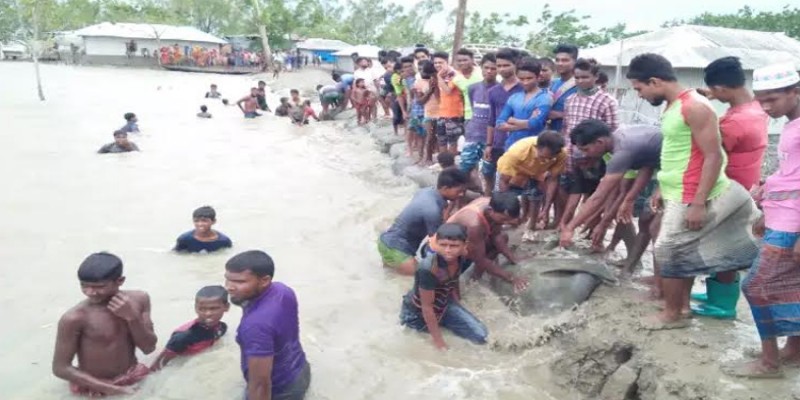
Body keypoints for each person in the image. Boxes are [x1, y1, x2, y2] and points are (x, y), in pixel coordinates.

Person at [626, 53, 758, 330]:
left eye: (639, 88)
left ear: (654, 81)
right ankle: (682, 307)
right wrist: (662, 186)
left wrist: (698, 203)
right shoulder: (673, 105)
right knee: (681, 252)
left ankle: (672, 315)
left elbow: (713, 156)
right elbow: (677, 151)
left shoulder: (695, 107)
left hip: (691, 194)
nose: (638, 95)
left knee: (669, 252)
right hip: (676, 191)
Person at [722, 63, 800, 379]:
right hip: (781, 214)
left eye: (772, 99)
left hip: (792, 224)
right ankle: (794, 350)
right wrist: (768, 190)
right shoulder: (791, 124)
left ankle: (769, 364)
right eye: (761, 100)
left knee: (756, 285)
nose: (765, 107)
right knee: (792, 285)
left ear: (794, 92)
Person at [691, 56, 769, 319]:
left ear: (722, 89)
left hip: (728, 189)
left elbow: (711, 160)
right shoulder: (756, 109)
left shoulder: (733, 123)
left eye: (715, 91)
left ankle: (722, 305)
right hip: (746, 185)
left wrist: (697, 198)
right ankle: (717, 294)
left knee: (722, 247)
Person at [558, 120, 662, 271]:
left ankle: (661, 282)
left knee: (657, 228)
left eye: (586, 149)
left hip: (682, 169)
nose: (585, 154)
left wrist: (570, 228)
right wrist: (629, 199)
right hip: (663, 167)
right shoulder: (619, 139)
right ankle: (631, 268)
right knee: (646, 220)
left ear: (599, 142)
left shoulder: (622, 151)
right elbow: (648, 164)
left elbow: (599, 196)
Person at [52, 252, 157, 397]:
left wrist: (132, 317)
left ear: (120, 281)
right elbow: (60, 368)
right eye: (84, 286)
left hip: (132, 375)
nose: (90, 292)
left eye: (98, 287)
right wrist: (111, 389)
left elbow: (149, 348)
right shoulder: (75, 318)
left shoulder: (140, 299)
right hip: (94, 385)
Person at [225, 250, 311, 400]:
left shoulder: (255, 326)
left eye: (240, 282)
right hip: (300, 369)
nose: (229, 287)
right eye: (228, 280)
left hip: (280, 390)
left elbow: (260, 385)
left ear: (264, 280)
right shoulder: (282, 290)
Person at [399, 223, 487, 349]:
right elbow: (427, 308)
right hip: (418, 314)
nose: (448, 251)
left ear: (464, 245)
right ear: (437, 244)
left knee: (481, 337)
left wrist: (458, 302)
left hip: (444, 305)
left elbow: (454, 280)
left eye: (454, 246)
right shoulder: (429, 268)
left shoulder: (462, 255)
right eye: (443, 245)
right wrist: (439, 342)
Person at [378, 168, 469, 275]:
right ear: (445, 188)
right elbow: (436, 244)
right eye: (459, 191)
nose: (462, 194)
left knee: (391, 277)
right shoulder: (432, 210)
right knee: (419, 280)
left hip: (386, 242)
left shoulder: (427, 191)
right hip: (397, 249)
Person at [446, 193, 529, 290]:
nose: (506, 223)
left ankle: (477, 275)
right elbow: (480, 259)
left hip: (470, 240)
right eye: (504, 219)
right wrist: (511, 277)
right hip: (450, 247)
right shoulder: (474, 225)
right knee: (480, 258)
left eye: (509, 220)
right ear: (490, 211)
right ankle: (473, 281)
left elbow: (497, 235)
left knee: (503, 237)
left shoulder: (494, 205)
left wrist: (513, 258)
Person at [496, 132, 566, 237]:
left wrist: (545, 209)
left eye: (549, 158)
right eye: (543, 157)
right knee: (504, 199)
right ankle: (510, 220)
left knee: (535, 194)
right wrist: (509, 211)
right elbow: (503, 182)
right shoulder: (517, 153)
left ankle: (531, 225)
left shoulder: (561, 154)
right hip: (515, 171)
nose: (546, 160)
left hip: (537, 172)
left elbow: (552, 180)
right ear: (537, 148)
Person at [150, 286, 229, 371]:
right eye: (202, 309)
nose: (208, 313)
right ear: (195, 308)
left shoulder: (222, 327)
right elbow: (157, 366)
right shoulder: (183, 337)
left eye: (213, 308)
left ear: (226, 307)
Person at [482, 48, 523, 195]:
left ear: (516, 64)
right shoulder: (493, 91)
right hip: (498, 143)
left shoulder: (524, 88)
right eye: (499, 66)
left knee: (518, 183)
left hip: (519, 143)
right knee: (497, 181)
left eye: (506, 65)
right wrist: (489, 144)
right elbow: (491, 120)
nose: (502, 69)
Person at [495, 59, 551, 150]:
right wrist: (526, 123)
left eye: (529, 78)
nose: (525, 82)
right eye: (521, 79)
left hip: (533, 147)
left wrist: (512, 120)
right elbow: (499, 123)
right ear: (517, 77)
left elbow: (535, 124)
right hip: (511, 146)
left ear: (537, 77)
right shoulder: (514, 97)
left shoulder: (544, 98)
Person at [460, 53, 498, 187]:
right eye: (486, 67)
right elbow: (473, 107)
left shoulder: (500, 90)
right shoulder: (472, 88)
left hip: (490, 138)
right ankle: (463, 196)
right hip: (472, 134)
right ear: (481, 68)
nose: (489, 71)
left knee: (488, 171)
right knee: (465, 167)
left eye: (493, 68)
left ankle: (488, 196)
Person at [432, 51, 464, 155]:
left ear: (447, 62)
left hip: (454, 113)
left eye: (440, 62)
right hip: (442, 113)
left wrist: (438, 77)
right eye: (435, 63)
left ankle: (451, 165)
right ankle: (444, 164)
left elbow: (448, 91)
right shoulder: (441, 75)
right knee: (441, 140)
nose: (437, 65)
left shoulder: (454, 74)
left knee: (452, 141)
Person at [548, 44, 579, 132]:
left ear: (575, 62)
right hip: (551, 134)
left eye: (565, 60)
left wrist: (560, 114)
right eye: (557, 60)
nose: (560, 63)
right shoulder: (553, 83)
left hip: (571, 134)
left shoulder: (580, 84)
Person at [416, 60, 440, 165]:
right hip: (429, 113)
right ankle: (428, 158)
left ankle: (440, 159)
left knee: (440, 138)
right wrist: (430, 91)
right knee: (430, 137)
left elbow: (441, 98)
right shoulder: (419, 83)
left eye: (424, 70)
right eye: (420, 70)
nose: (422, 72)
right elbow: (420, 101)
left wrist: (436, 85)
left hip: (442, 112)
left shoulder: (440, 80)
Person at [453, 48, 482, 120]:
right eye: (459, 61)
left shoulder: (482, 73)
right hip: (468, 116)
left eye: (465, 60)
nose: (462, 63)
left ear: (472, 60)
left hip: (484, 115)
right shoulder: (456, 79)